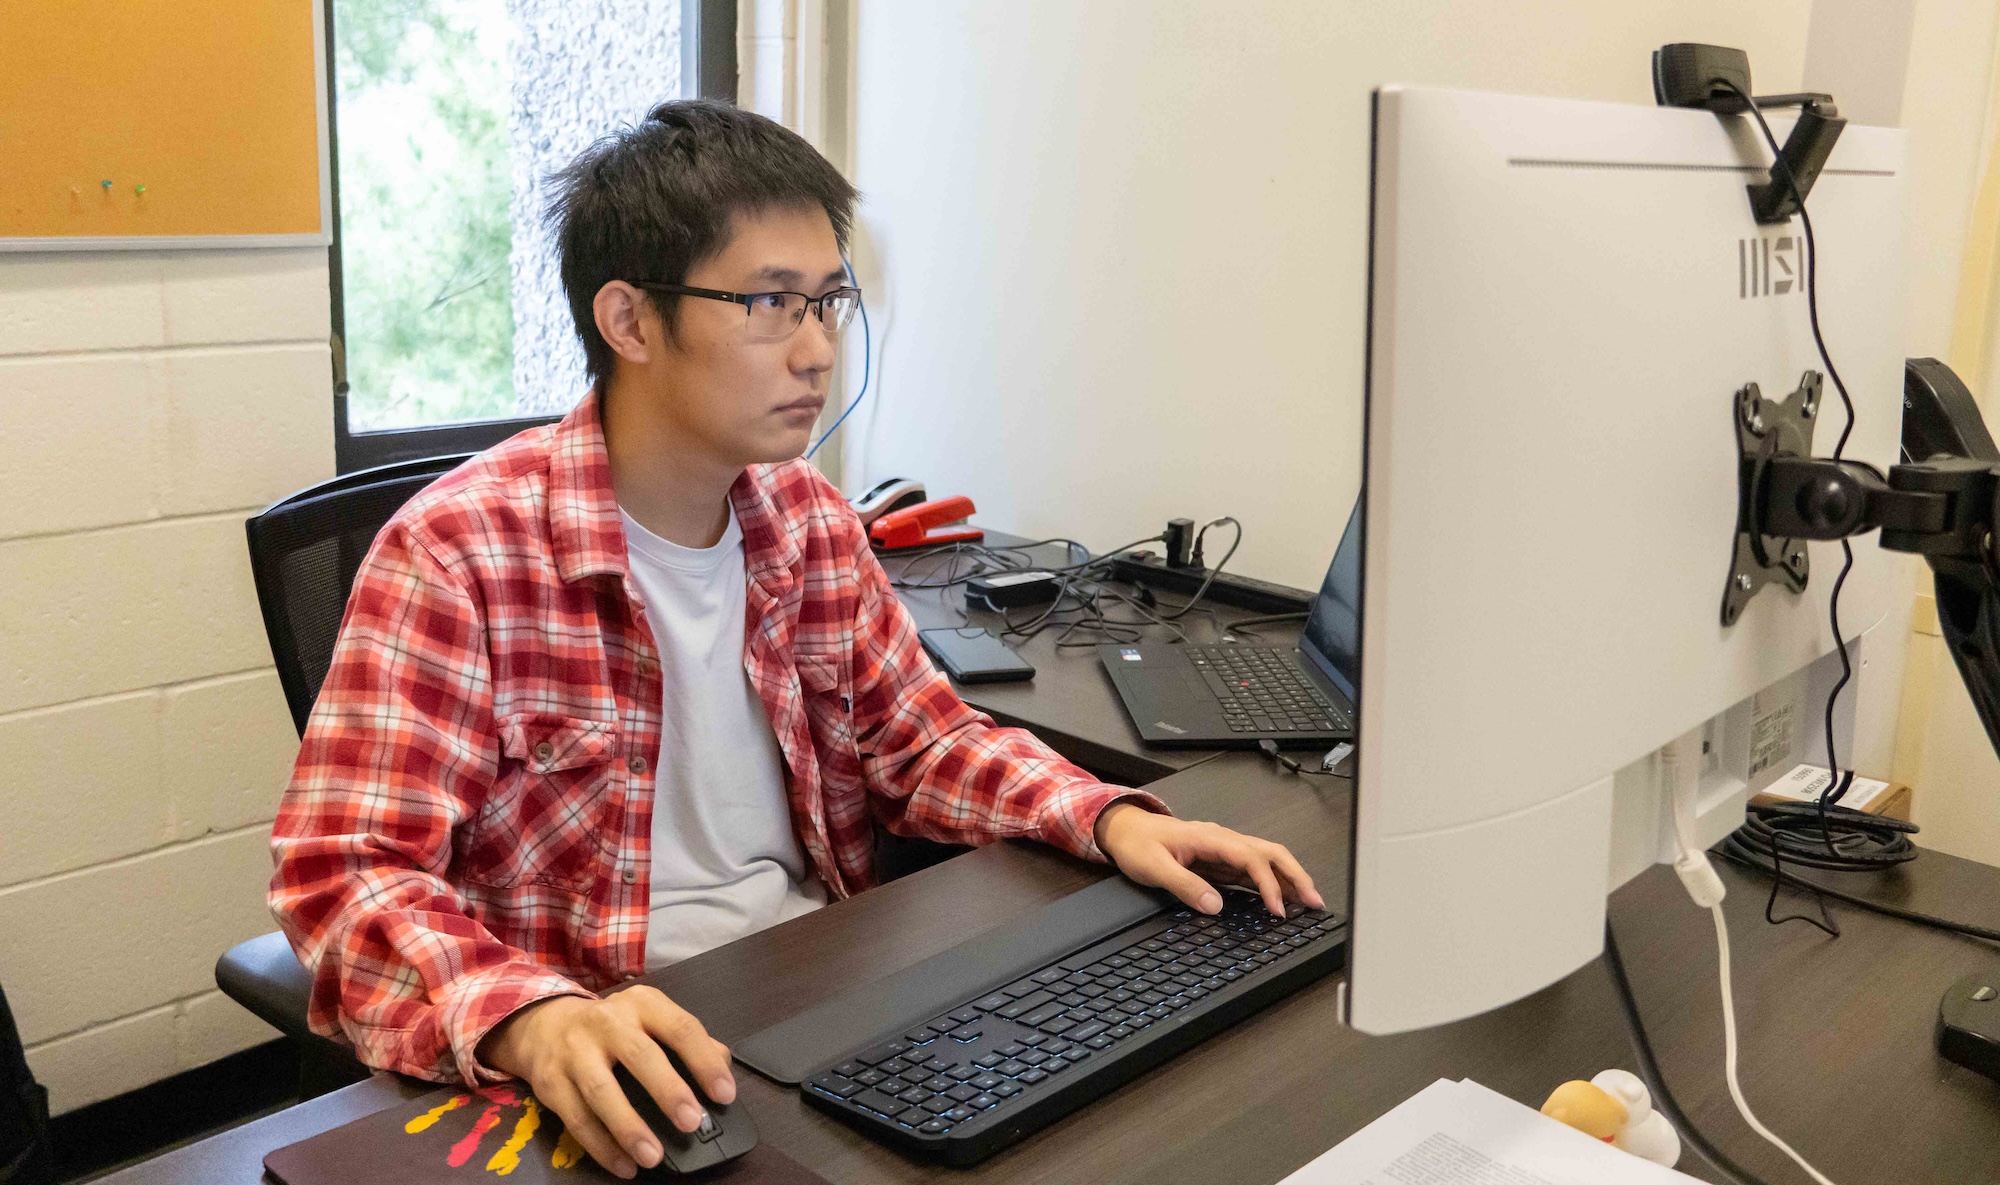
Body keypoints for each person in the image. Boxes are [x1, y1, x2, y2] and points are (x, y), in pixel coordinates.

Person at [268, 99, 1320, 1180]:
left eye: (829, 302)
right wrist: (529, 1019)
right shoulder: (457, 553)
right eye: (770, 304)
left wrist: (1103, 819)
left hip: (809, 1000)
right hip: (608, 1046)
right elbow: (346, 875)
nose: (818, 349)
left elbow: (920, 742)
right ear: (629, 323)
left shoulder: (806, 523)